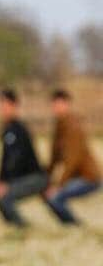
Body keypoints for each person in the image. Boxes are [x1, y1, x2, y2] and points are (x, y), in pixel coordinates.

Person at [0, 89, 48, 227]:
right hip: (19, 179)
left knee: (4, 197)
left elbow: (18, 160)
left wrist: (7, 184)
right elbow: (5, 160)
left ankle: (23, 227)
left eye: (5, 106)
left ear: (14, 106)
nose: (2, 109)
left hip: (34, 177)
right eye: (0, 106)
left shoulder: (20, 130)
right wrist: (0, 181)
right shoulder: (7, 129)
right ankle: (13, 226)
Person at [44, 89, 100, 225]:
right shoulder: (59, 126)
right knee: (49, 195)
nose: (56, 108)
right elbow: (54, 157)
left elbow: (72, 161)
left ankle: (76, 226)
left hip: (89, 177)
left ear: (67, 104)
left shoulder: (72, 127)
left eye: (59, 104)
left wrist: (58, 185)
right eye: (54, 104)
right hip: (76, 176)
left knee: (55, 197)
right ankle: (69, 225)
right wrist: (45, 179)